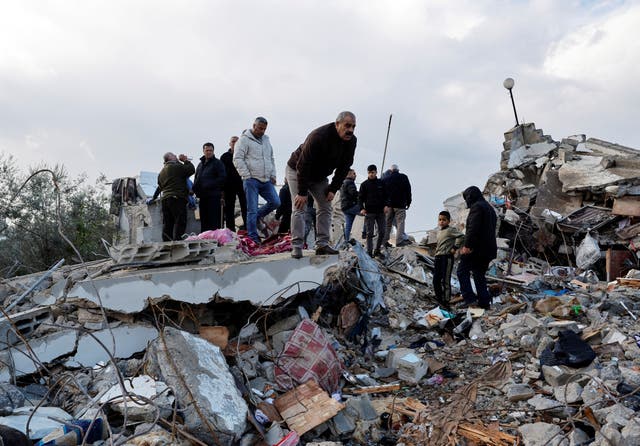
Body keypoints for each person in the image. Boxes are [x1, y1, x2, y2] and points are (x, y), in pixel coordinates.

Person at [286, 111, 357, 259]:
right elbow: (303, 165)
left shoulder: (351, 141)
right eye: (347, 126)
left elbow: (344, 167)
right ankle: (297, 246)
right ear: (337, 124)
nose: (350, 130)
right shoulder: (319, 136)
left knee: (325, 206)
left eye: (353, 127)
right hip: (297, 170)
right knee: (300, 206)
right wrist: (302, 192)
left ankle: (322, 245)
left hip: (319, 177)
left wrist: (333, 188)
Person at [233, 117, 280, 243]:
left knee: (275, 202)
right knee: (252, 209)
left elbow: (271, 158)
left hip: (266, 179)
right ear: (254, 126)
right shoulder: (243, 140)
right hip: (251, 180)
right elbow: (237, 158)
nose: (262, 131)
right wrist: (246, 175)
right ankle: (253, 237)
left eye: (264, 129)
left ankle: (258, 216)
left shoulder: (266, 140)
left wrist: (273, 174)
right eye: (260, 128)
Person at [457, 186, 498, 310]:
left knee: (461, 271)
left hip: (476, 248)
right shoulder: (490, 209)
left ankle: (469, 299)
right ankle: (484, 302)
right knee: (479, 274)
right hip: (489, 250)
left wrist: (467, 246)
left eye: (467, 198)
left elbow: (473, 229)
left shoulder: (477, 207)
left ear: (470, 196)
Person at [156, 152, 195, 241]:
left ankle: (166, 243)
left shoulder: (161, 172)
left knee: (168, 223)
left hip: (165, 199)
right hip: (177, 198)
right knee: (180, 220)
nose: (176, 157)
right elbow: (191, 170)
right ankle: (178, 242)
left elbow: (160, 185)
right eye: (174, 156)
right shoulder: (176, 167)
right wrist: (185, 160)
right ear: (170, 158)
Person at [433, 210, 464, 308]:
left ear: (448, 221)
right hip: (438, 257)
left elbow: (461, 236)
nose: (441, 222)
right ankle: (439, 298)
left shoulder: (450, 230)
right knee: (436, 280)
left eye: (444, 220)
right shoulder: (439, 232)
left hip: (446, 258)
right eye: (440, 220)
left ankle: (446, 301)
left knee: (445, 280)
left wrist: (455, 248)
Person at [193, 142, 226, 231]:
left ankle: (214, 240)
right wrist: (194, 189)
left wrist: (209, 185)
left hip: (214, 196)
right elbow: (197, 178)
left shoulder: (218, 163)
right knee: (204, 219)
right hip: (203, 196)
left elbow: (222, 178)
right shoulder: (200, 164)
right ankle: (204, 240)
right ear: (203, 151)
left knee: (213, 220)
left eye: (210, 150)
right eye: (207, 150)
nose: (209, 152)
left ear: (213, 151)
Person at [359, 164, 389, 258]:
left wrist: (387, 205)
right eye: (369, 173)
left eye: (372, 172)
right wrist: (361, 208)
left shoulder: (381, 183)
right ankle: (369, 252)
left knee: (382, 231)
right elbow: (360, 198)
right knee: (369, 233)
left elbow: (387, 195)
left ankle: (377, 251)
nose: (371, 174)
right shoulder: (364, 185)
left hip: (380, 212)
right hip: (369, 212)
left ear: (376, 172)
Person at [220, 136, 247, 231]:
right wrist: (222, 190)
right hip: (229, 186)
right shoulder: (224, 157)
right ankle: (230, 232)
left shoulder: (244, 155)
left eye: (237, 141)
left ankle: (247, 231)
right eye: (233, 141)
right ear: (229, 143)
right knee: (229, 210)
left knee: (245, 208)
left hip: (242, 184)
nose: (235, 143)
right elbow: (221, 174)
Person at [383, 164, 412, 247]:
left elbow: (383, 193)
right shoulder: (404, 177)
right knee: (400, 222)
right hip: (400, 205)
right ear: (398, 170)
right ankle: (399, 241)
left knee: (388, 223)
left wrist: (385, 204)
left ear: (391, 171)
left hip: (389, 205)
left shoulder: (386, 179)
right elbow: (408, 190)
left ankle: (384, 241)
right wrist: (409, 202)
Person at [340, 169, 360, 244]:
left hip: (344, 207)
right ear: (349, 174)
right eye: (354, 173)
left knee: (348, 225)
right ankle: (365, 233)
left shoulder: (343, 183)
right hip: (351, 205)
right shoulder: (350, 182)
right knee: (367, 213)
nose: (355, 175)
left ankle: (346, 242)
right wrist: (362, 195)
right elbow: (353, 193)